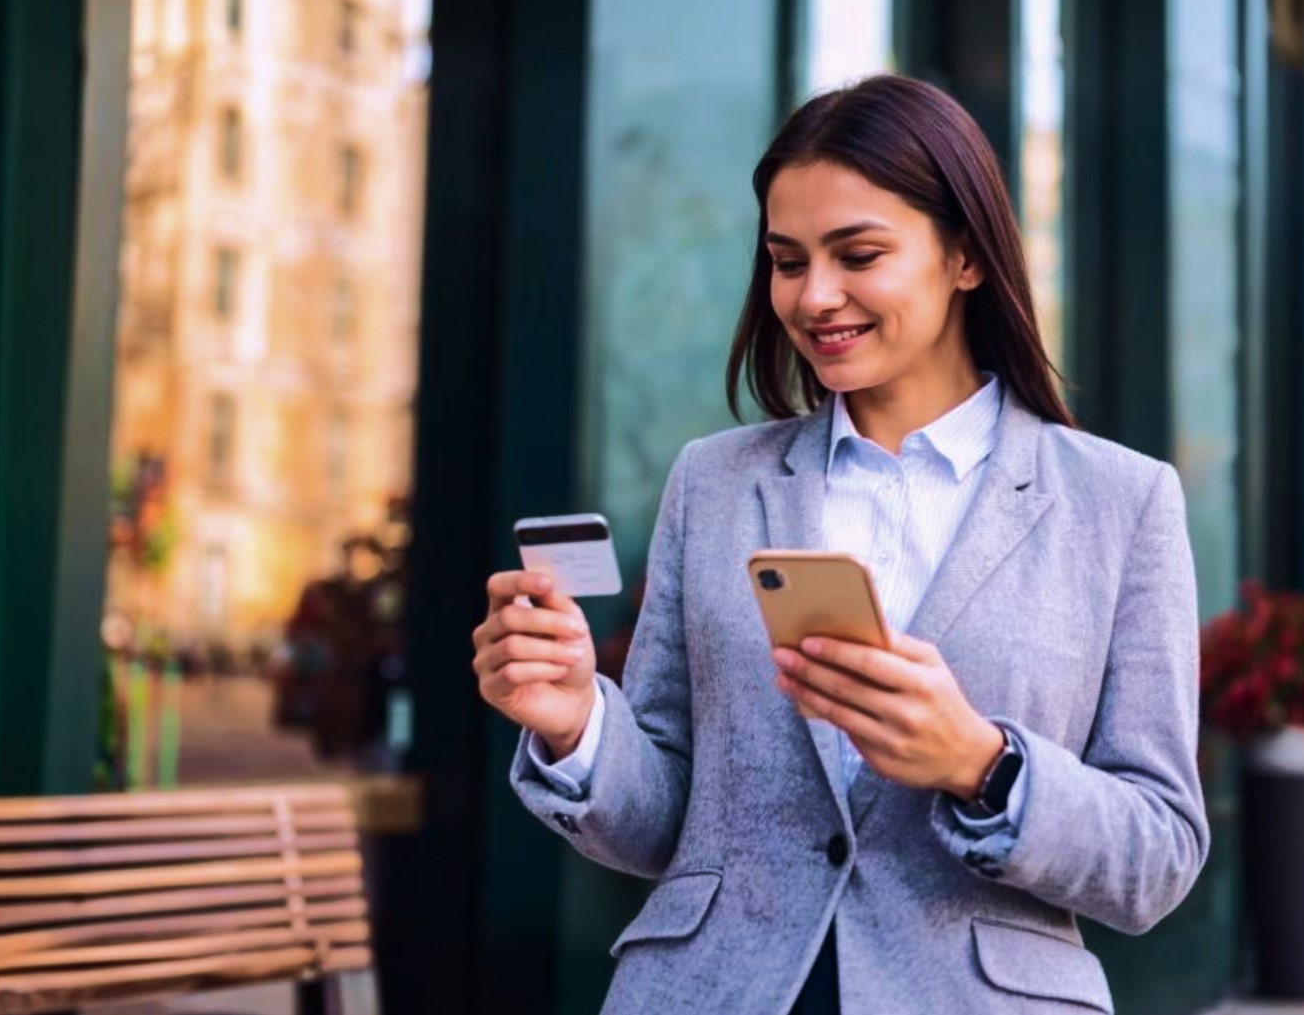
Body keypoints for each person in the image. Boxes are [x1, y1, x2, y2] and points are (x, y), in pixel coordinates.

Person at [469, 74, 1209, 1014]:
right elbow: (663, 824)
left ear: (966, 256)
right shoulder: (715, 480)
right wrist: (576, 721)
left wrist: (983, 764)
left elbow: (1158, 857)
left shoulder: (1120, 501)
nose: (815, 296)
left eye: (857, 254)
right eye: (786, 260)